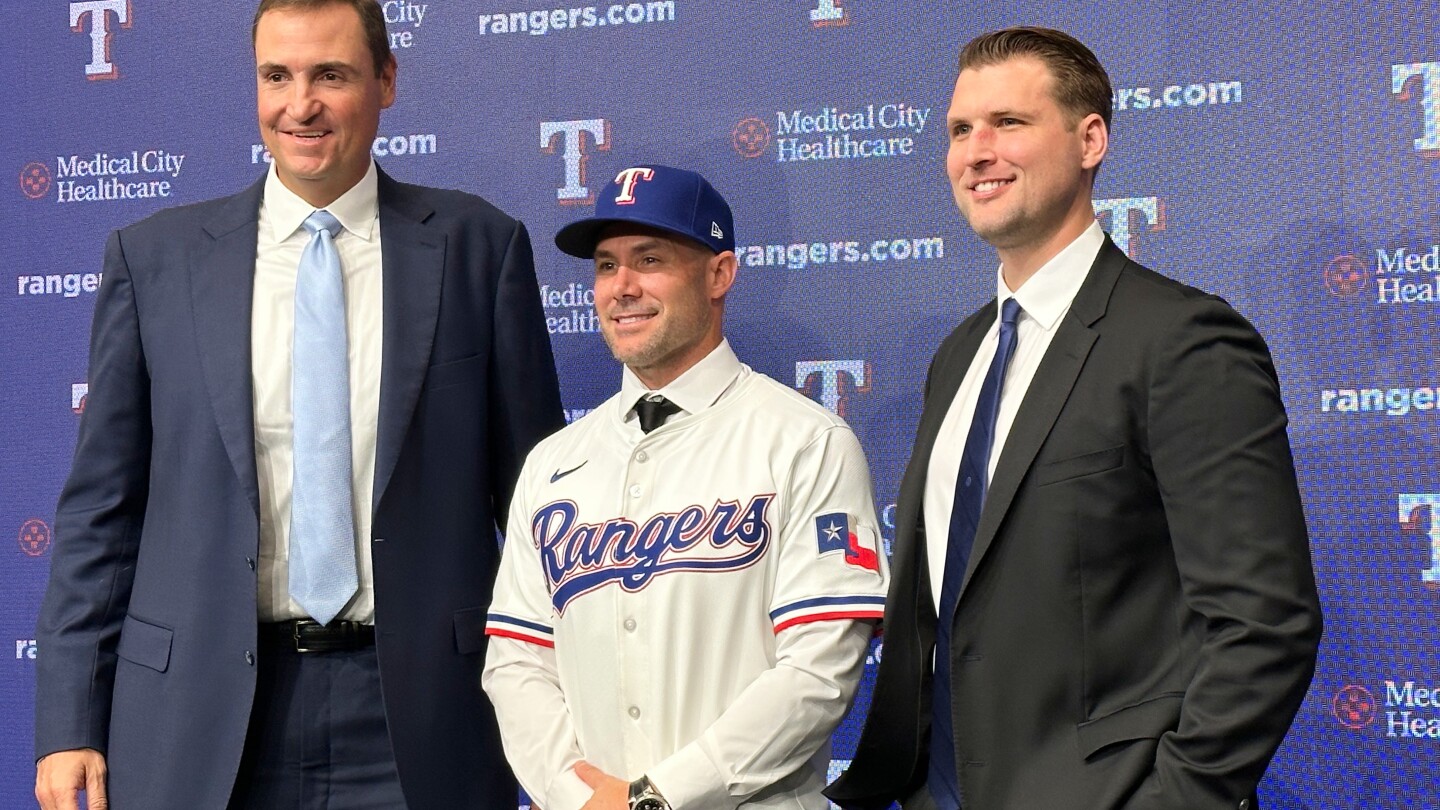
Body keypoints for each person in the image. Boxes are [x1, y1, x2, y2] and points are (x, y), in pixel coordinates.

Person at [32, 1, 562, 807]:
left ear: (386, 81)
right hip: (201, 716)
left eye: (331, 76)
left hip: (423, 717)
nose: (299, 105)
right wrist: (70, 720)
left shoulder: (480, 248)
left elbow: (538, 510)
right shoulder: (154, 261)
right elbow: (100, 513)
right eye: (276, 76)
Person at [826, 26, 1322, 810]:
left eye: (1009, 124)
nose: (976, 151)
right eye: (960, 130)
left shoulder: (1182, 340)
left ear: (1090, 139)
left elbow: (1266, 626)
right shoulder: (959, 356)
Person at [481, 164, 890, 810]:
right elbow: (517, 665)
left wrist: (660, 797)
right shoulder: (552, 465)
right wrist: (577, 797)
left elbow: (818, 669)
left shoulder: (806, 441)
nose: (623, 287)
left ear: (720, 274)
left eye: (650, 259)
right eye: (607, 266)